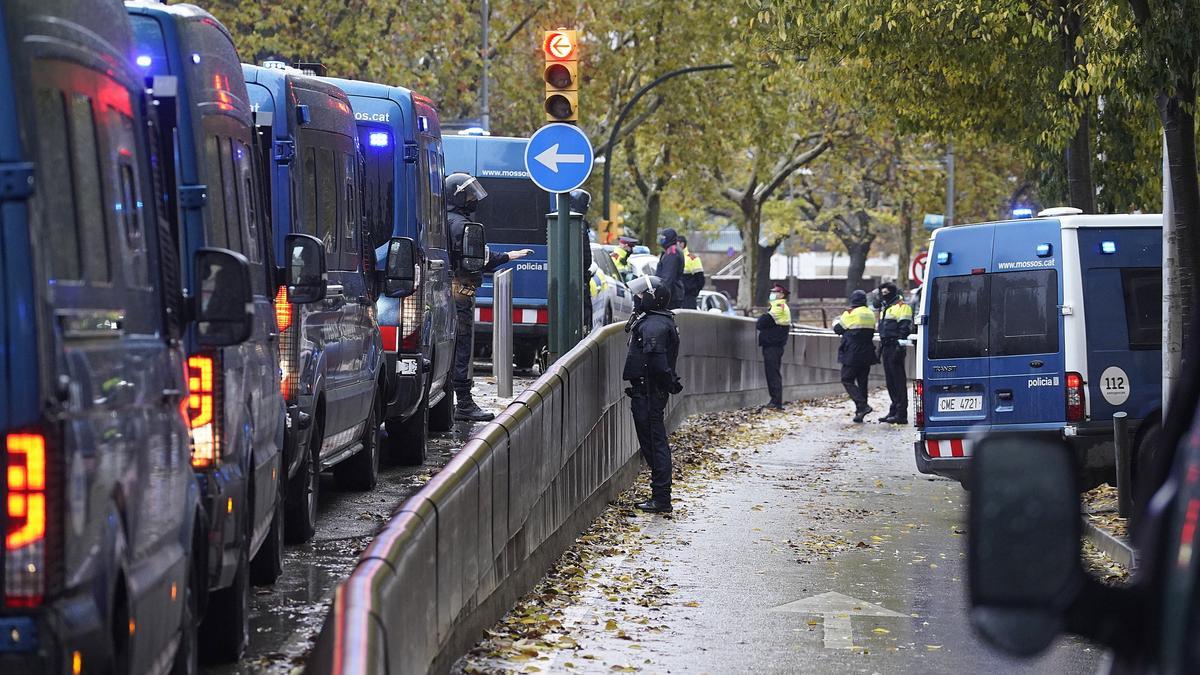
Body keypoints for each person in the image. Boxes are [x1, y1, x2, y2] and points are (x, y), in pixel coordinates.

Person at [446, 172, 531, 422]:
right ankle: (463, 402)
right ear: (458, 196)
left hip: (448, 294)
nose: (474, 199)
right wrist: (509, 256)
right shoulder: (461, 226)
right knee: (462, 347)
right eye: (469, 194)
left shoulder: (443, 220)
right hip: (460, 295)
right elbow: (479, 259)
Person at [623, 275, 682, 513]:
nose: (637, 299)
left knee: (655, 443)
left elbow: (656, 361)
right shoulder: (655, 320)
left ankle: (661, 497)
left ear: (652, 297)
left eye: (641, 295)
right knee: (652, 442)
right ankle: (660, 495)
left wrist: (668, 382)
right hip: (647, 390)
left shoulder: (655, 324)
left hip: (649, 392)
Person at [833, 289, 878, 423]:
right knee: (862, 382)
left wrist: (837, 321)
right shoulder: (870, 313)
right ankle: (860, 412)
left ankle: (862, 405)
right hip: (867, 353)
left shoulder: (850, 313)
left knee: (846, 379)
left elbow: (838, 329)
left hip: (852, 354)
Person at [875, 281, 913, 423]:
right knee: (890, 381)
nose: (883, 296)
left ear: (892, 292)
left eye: (885, 293)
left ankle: (901, 414)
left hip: (895, 347)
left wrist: (899, 347)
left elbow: (904, 329)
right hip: (886, 347)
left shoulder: (902, 307)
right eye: (882, 293)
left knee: (898, 381)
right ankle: (894, 410)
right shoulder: (887, 308)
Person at [756, 283, 791, 410]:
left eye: (775, 292)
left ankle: (776, 401)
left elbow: (761, 323)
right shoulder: (781, 306)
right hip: (774, 345)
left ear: (781, 294)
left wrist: (762, 318)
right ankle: (775, 400)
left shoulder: (778, 306)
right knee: (773, 372)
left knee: (772, 373)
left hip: (773, 345)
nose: (772, 294)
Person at [654, 228, 685, 310]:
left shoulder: (672, 252)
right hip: (674, 294)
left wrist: (660, 295)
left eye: (663, 238)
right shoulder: (672, 250)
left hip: (672, 296)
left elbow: (668, 277)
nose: (661, 240)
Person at [679, 235, 705, 310]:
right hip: (676, 296)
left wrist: (693, 293)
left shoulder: (692, 259)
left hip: (688, 297)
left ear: (682, 244)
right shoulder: (672, 257)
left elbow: (700, 279)